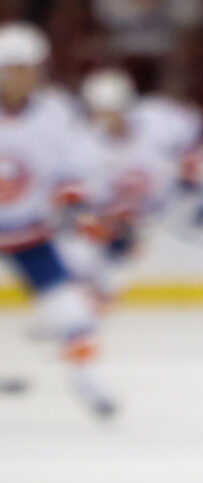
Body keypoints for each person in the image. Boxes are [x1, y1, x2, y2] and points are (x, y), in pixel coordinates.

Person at [0, 21, 116, 418]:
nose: (23, 76)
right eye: (14, 68)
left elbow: (76, 169)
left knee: (71, 312)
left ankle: (89, 383)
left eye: (30, 67)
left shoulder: (56, 112)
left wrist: (80, 208)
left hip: (32, 234)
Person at [59, 67, 203, 306]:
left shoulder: (159, 118)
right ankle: (79, 304)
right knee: (77, 256)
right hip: (115, 221)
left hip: (164, 211)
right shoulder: (82, 147)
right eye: (104, 111)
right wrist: (97, 222)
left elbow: (194, 137)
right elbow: (79, 198)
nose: (112, 116)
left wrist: (188, 180)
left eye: (117, 108)